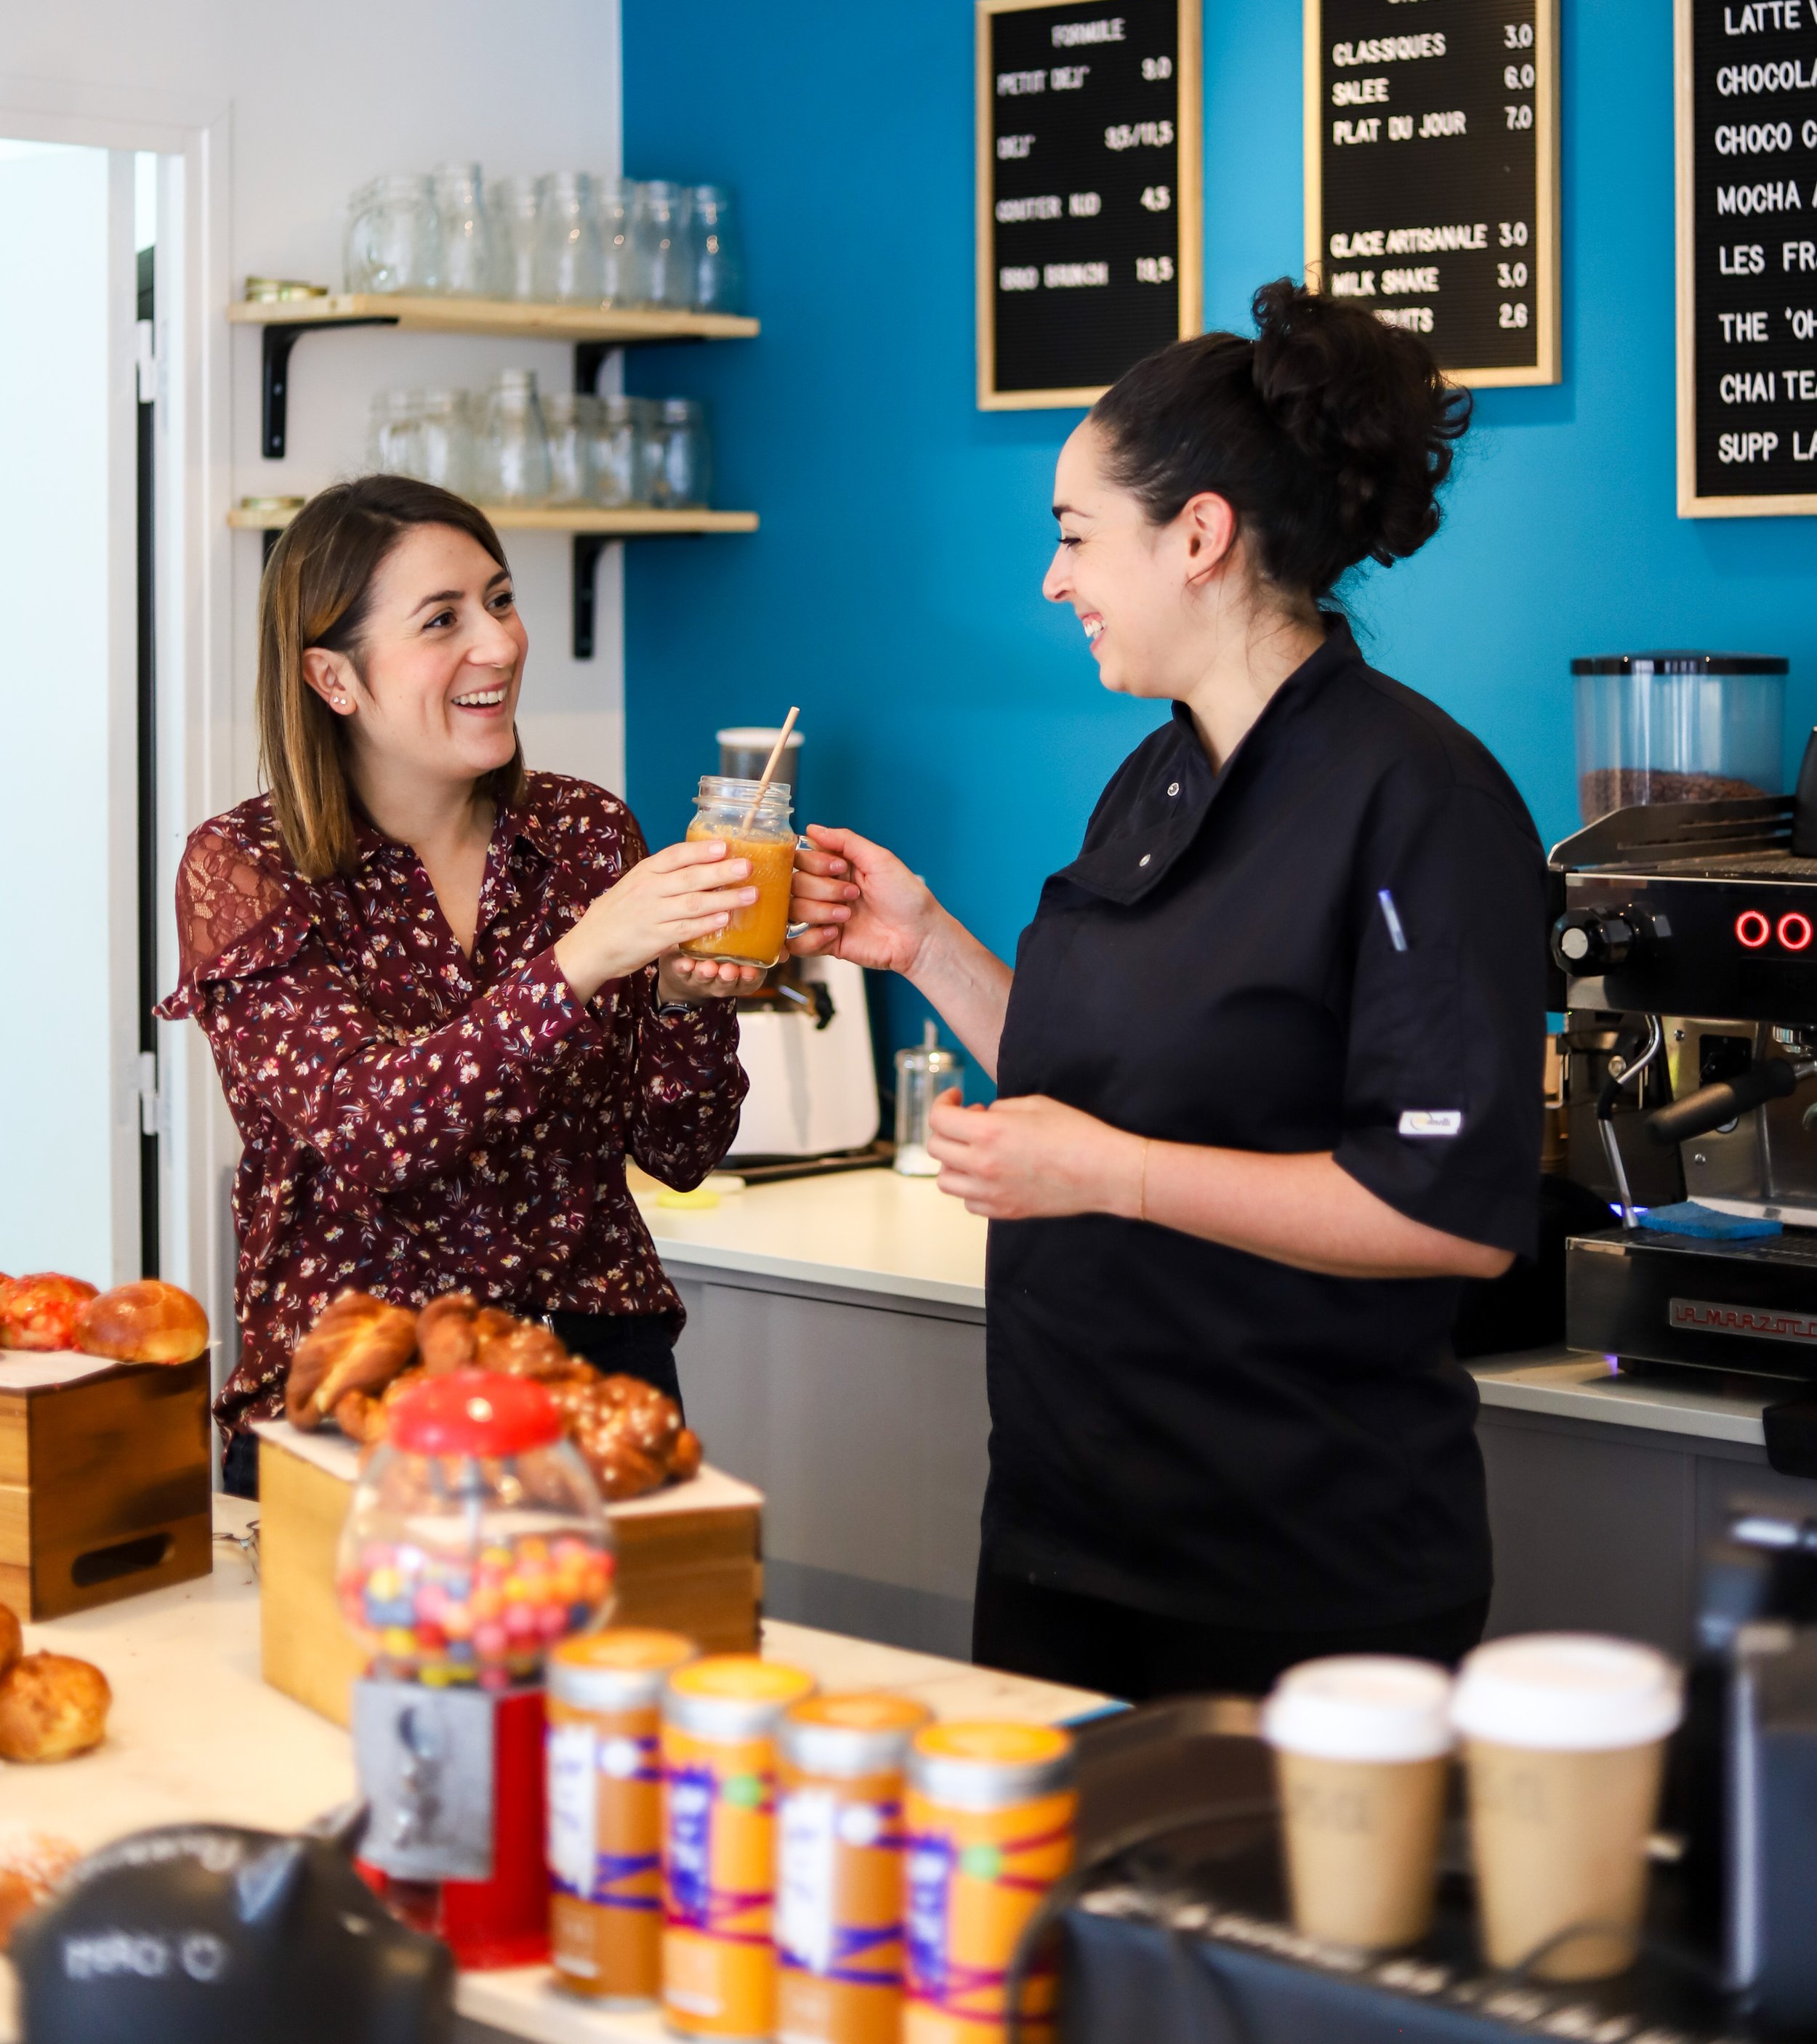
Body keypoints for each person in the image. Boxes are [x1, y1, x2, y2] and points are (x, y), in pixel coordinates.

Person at [790, 280, 1547, 1700]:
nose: (1052, 579)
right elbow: (1092, 1082)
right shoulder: (1158, 772)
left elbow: (1447, 1215)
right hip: (1067, 1529)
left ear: (1198, 537)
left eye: (1075, 535)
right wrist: (925, 945)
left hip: (1292, 1566)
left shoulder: (1418, 799)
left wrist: (1114, 1176)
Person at [159, 477, 761, 1494]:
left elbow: (680, 1152)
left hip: (591, 1378)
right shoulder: (248, 867)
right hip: (361, 1396)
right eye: (442, 619)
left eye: (500, 599)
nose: (500, 643)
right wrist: (578, 963)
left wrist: (685, 1002)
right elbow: (371, 1129)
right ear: (333, 678)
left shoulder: (585, 832)